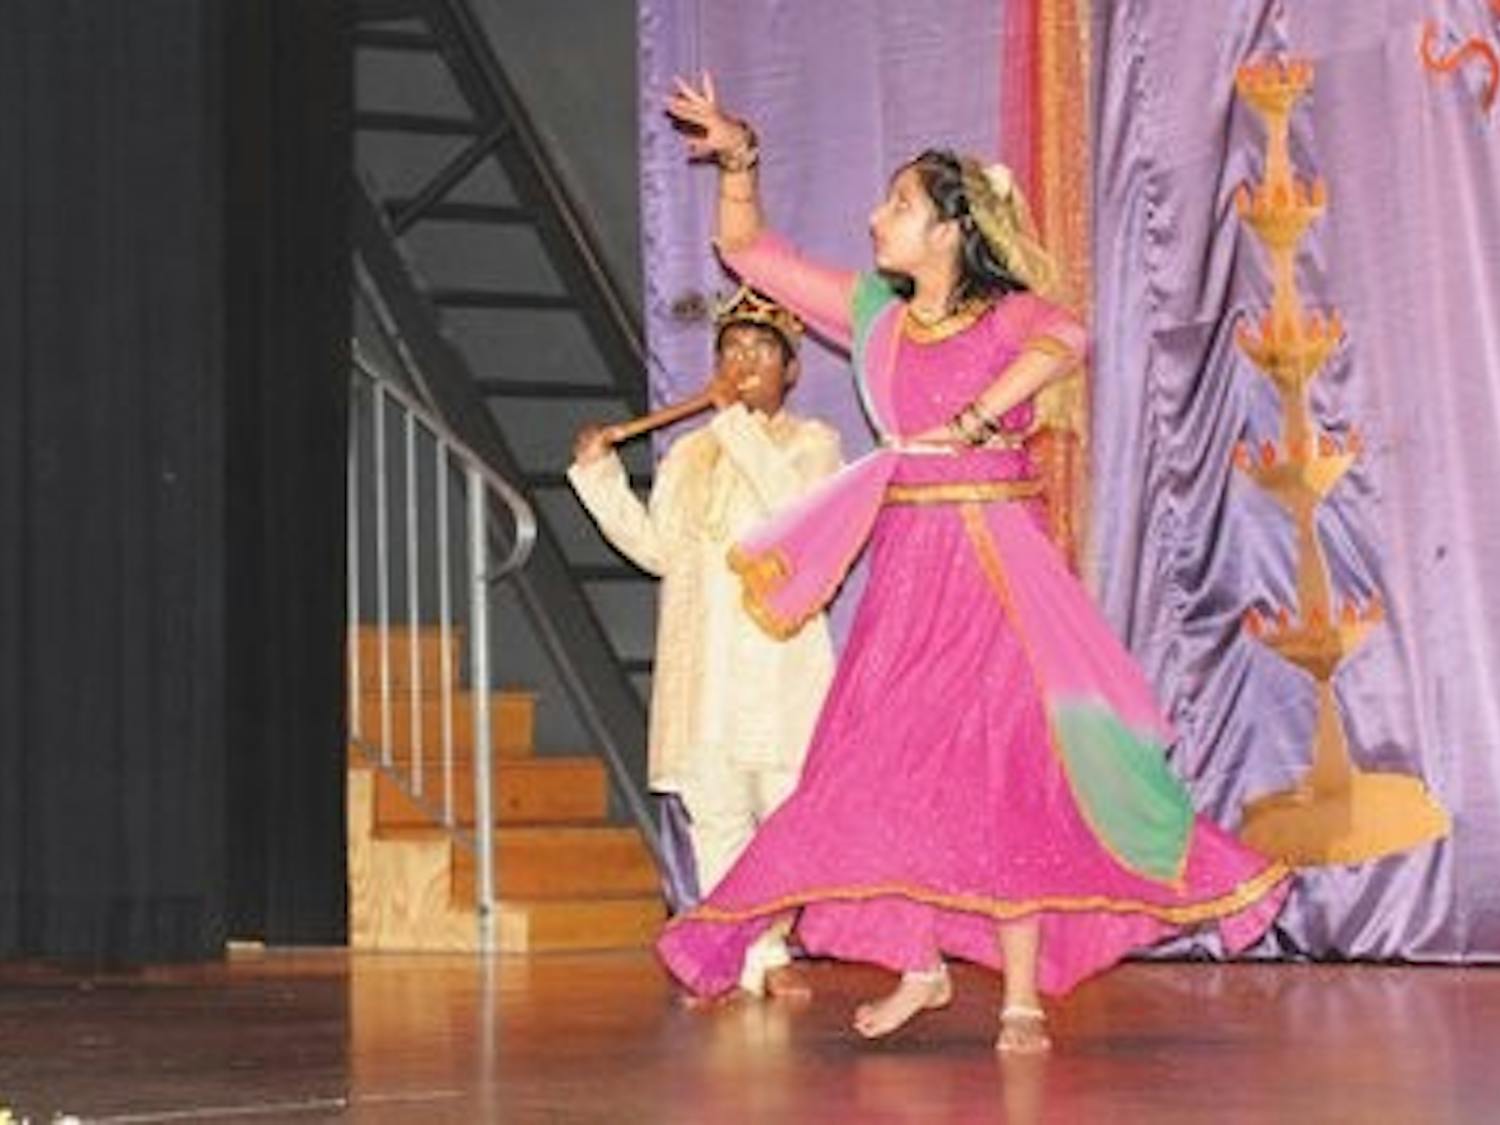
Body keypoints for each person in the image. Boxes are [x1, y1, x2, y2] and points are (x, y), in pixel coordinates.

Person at [656, 74, 1291, 1053]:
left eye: (899, 205)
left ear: (950, 228)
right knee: (886, 764)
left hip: (998, 568)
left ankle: (1022, 992)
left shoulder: (1007, 316)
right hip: (910, 569)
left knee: (1009, 768)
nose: (876, 217)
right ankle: (922, 967)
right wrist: (740, 161)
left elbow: (1068, 337)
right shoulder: (877, 313)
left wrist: (978, 415)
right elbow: (749, 251)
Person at [569, 285, 842, 1000]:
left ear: (791, 370)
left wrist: (735, 426)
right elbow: (658, 548)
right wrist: (601, 479)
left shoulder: (814, 445)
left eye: (760, 351)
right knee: (716, 817)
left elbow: (792, 514)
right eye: (730, 350)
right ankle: (750, 958)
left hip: (777, 668)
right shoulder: (689, 451)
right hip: (703, 669)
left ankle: (773, 945)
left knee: (781, 817)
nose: (742, 362)